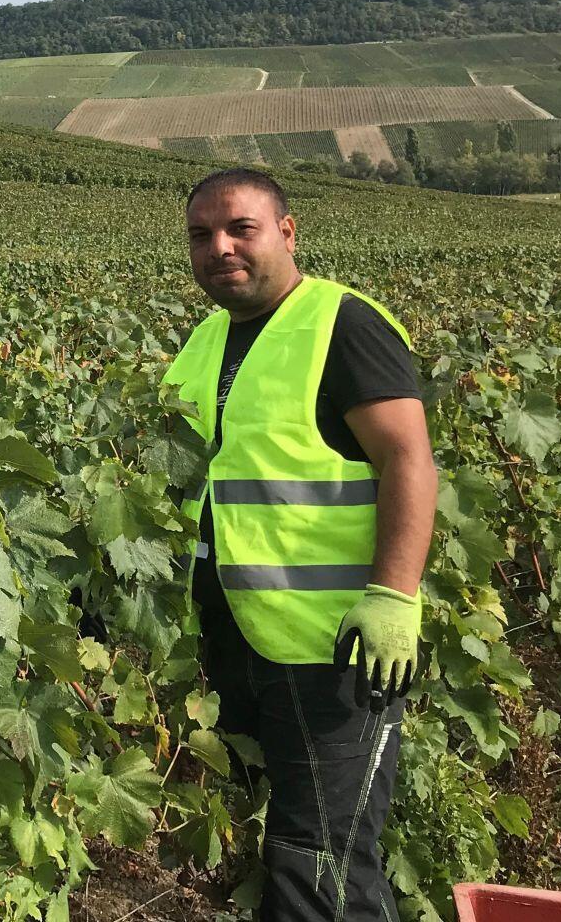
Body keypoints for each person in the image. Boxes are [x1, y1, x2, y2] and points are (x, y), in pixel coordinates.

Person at [161, 168, 435, 921]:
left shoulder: (341, 323)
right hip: (234, 640)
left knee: (320, 865)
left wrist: (392, 595)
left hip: (336, 650)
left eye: (239, 228)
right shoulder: (209, 337)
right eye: (200, 235)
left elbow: (407, 458)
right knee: (270, 849)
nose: (219, 248)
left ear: (287, 230)